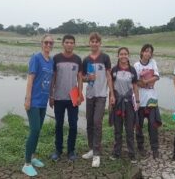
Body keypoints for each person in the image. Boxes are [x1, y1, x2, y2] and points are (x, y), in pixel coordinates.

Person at [22, 35, 55, 177]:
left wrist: (50, 97)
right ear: (41, 44)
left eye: (51, 43)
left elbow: (50, 81)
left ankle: (33, 157)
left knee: (38, 130)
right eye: (46, 42)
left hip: (43, 102)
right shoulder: (36, 58)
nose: (48, 44)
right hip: (34, 101)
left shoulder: (51, 61)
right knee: (34, 130)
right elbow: (30, 79)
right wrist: (28, 99)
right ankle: (27, 163)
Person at [81, 32, 115, 168]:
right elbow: (82, 78)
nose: (94, 43)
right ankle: (91, 149)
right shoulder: (86, 60)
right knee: (89, 123)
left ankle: (97, 154)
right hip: (90, 95)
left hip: (101, 95)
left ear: (100, 43)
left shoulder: (105, 57)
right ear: (89, 43)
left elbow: (109, 76)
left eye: (97, 41)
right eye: (92, 41)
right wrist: (88, 78)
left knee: (97, 122)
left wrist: (112, 94)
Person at [49, 34, 83, 162]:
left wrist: (80, 94)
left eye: (71, 42)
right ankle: (58, 150)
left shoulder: (78, 59)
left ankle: (71, 150)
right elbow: (53, 78)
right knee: (59, 124)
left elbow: (80, 78)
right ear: (63, 44)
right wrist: (51, 95)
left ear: (74, 44)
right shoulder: (56, 58)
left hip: (73, 98)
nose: (69, 44)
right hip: (58, 97)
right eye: (67, 42)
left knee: (73, 125)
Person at [109, 47, 140, 164]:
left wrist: (137, 101)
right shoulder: (114, 70)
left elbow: (135, 86)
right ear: (118, 56)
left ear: (128, 55)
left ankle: (132, 154)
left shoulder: (132, 70)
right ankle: (116, 152)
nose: (123, 56)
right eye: (121, 54)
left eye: (125, 54)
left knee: (129, 129)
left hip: (129, 103)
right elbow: (111, 85)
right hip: (117, 102)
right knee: (117, 129)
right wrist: (110, 99)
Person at [134, 44, 162, 159]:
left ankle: (154, 148)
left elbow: (157, 77)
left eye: (150, 52)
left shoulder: (153, 63)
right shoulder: (136, 65)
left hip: (151, 99)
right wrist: (147, 82)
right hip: (140, 99)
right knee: (139, 125)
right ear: (141, 52)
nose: (148, 54)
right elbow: (135, 82)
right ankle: (140, 147)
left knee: (153, 124)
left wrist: (145, 81)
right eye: (146, 51)